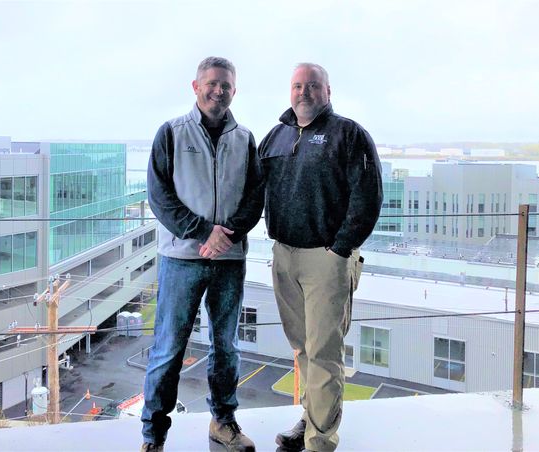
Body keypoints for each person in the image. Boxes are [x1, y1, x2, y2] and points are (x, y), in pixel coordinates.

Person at [140, 56, 263, 452]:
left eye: (226, 85)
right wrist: (202, 232)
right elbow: (160, 197)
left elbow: (255, 197)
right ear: (195, 87)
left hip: (228, 260)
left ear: (234, 90)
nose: (218, 91)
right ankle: (152, 437)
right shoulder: (171, 134)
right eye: (211, 83)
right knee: (168, 348)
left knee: (227, 346)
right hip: (181, 259)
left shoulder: (245, 138)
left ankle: (223, 422)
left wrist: (225, 237)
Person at [258, 63, 383, 451]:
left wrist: (340, 249)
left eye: (312, 86)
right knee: (303, 350)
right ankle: (310, 422)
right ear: (289, 91)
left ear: (328, 91)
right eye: (297, 85)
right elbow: (251, 190)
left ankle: (321, 442)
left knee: (325, 355)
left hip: (326, 259)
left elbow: (368, 197)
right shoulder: (275, 137)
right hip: (284, 256)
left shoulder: (349, 135)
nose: (304, 92)